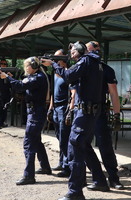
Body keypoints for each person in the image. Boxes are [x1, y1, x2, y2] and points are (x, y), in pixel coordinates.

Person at [42, 41, 108, 200]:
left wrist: (54, 65)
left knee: (75, 147)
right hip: (90, 111)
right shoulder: (95, 63)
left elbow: (68, 75)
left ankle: (75, 192)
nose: (71, 55)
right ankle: (100, 181)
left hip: (85, 111)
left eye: (72, 52)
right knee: (83, 145)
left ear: (80, 51)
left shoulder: (85, 61)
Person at [0, 57, 52, 185]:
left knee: (29, 144)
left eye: (27, 66)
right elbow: (23, 86)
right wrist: (11, 78)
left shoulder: (38, 77)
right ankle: (45, 166)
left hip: (35, 113)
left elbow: (21, 86)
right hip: (34, 112)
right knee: (36, 141)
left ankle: (29, 176)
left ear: (33, 66)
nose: (25, 69)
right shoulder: (38, 76)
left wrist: (8, 77)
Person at [85, 41, 124, 190]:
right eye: (91, 49)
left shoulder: (107, 69)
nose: (96, 51)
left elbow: (113, 94)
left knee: (105, 146)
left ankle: (114, 178)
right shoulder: (82, 68)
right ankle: (96, 177)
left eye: (97, 48)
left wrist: (117, 115)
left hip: (99, 112)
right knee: (81, 145)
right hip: (83, 112)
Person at [47, 49, 71, 177]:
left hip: (63, 108)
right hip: (56, 108)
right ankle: (62, 162)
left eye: (57, 57)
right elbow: (52, 92)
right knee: (59, 136)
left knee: (64, 138)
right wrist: (51, 107)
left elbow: (73, 92)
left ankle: (67, 166)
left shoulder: (67, 73)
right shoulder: (55, 73)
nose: (55, 59)